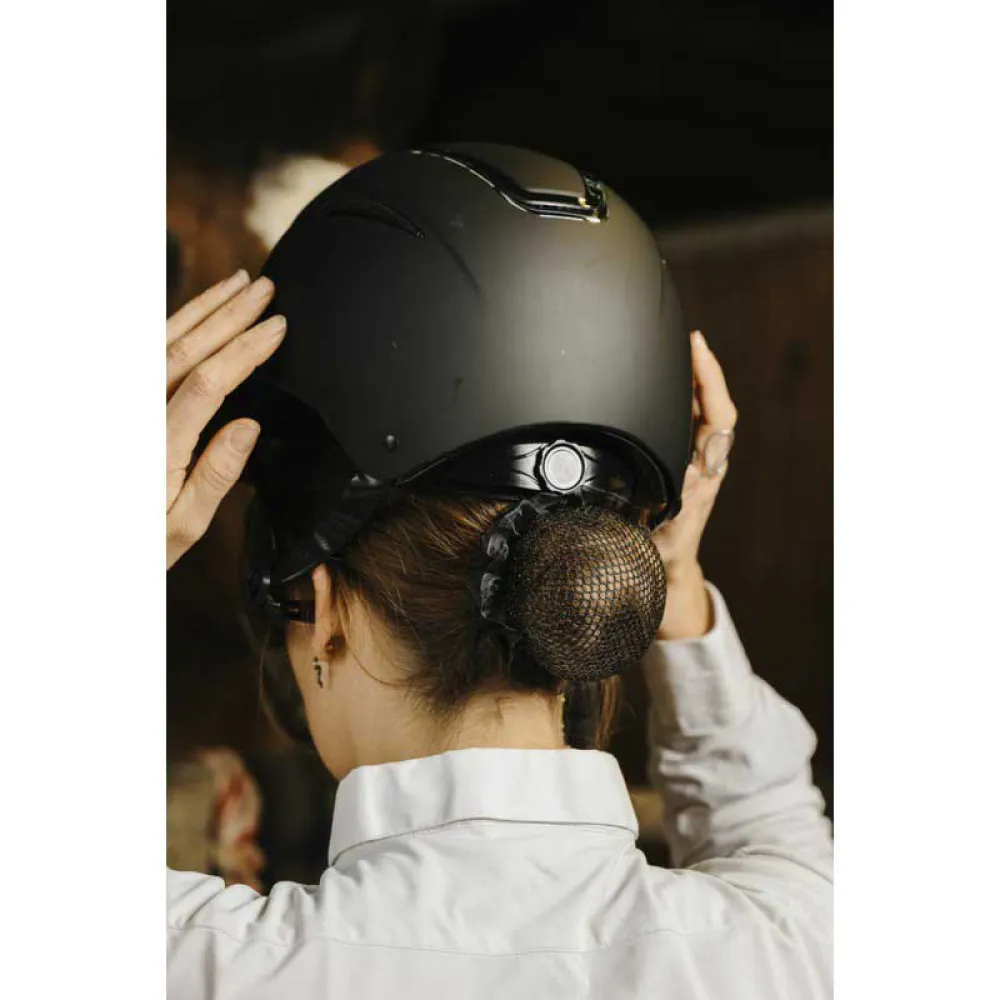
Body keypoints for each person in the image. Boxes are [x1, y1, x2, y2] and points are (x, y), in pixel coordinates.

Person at [166, 146, 832, 998]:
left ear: (324, 612)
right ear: (591, 588)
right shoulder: (795, 948)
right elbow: (772, 825)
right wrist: (677, 578)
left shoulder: (196, 963)